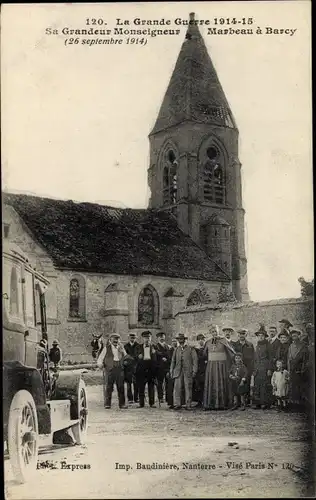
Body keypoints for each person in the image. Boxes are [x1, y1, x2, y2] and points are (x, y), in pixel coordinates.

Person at [203, 325, 235, 411]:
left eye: (216, 332)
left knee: (221, 383)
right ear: (210, 333)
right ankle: (210, 404)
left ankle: (222, 404)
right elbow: (204, 354)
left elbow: (231, 352)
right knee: (211, 383)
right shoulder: (208, 342)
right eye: (212, 332)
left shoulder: (223, 340)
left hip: (221, 366)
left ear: (218, 332)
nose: (214, 334)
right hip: (211, 366)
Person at [97, 333, 128, 409]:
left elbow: (126, 358)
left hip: (119, 369)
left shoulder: (121, 347)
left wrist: (123, 351)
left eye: (117, 339)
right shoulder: (106, 348)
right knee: (109, 387)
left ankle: (122, 404)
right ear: (110, 340)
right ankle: (107, 404)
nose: (115, 340)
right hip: (109, 369)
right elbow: (100, 358)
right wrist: (100, 364)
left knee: (120, 387)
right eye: (114, 339)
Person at [170, 333, 198, 410]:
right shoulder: (176, 349)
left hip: (188, 371)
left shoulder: (191, 349)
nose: (180, 341)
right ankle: (177, 404)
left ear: (185, 340)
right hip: (178, 371)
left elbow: (195, 360)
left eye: (182, 339)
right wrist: (171, 371)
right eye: (179, 339)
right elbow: (173, 361)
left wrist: (194, 371)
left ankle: (188, 404)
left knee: (188, 388)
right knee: (177, 388)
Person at [252, 325, 273, 409]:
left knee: (264, 385)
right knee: (257, 385)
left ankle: (264, 403)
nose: (260, 337)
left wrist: (269, 369)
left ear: (265, 337)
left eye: (262, 336)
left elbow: (271, 358)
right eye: (259, 336)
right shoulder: (257, 345)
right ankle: (257, 403)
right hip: (257, 368)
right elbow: (255, 358)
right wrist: (254, 369)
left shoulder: (268, 345)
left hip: (265, 367)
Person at [287, 329, 309, 409]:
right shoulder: (291, 346)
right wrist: (289, 370)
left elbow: (305, 359)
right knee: (292, 387)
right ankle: (293, 403)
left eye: (295, 335)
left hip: (299, 370)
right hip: (292, 370)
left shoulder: (303, 345)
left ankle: (300, 405)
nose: (294, 337)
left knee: (299, 387)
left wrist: (302, 369)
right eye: (292, 336)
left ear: (299, 335)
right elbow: (288, 359)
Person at [135, 331, 157, 408]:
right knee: (141, 387)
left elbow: (159, 357)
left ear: (151, 338)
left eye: (148, 337)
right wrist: (138, 356)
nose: (147, 339)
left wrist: (156, 353)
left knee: (151, 387)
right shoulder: (138, 347)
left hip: (151, 369)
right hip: (141, 369)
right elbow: (134, 357)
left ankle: (152, 403)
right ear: (143, 338)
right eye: (145, 337)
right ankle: (141, 404)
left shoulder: (155, 347)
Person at [233, 328, 255, 405]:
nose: (241, 336)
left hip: (248, 367)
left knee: (247, 383)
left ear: (246, 335)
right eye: (240, 334)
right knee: (238, 383)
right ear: (238, 335)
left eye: (243, 334)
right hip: (238, 368)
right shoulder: (235, 345)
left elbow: (253, 357)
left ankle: (247, 401)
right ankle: (238, 402)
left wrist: (252, 369)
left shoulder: (250, 345)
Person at [155, 332, 171, 405]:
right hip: (159, 368)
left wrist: (167, 359)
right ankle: (160, 397)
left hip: (167, 368)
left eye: (163, 337)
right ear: (157, 338)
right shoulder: (155, 346)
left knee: (168, 383)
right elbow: (156, 354)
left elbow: (169, 355)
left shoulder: (167, 346)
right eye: (160, 337)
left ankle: (168, 398)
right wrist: (162, 357)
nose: (162, 338)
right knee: (160, 383)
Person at [124, 332, 140, 404]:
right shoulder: (126, 346)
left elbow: (139, 355)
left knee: (136, 383)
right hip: (128, 367)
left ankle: (136, 398)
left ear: (136, 338)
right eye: (131, 337)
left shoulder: (138, 346)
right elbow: (124, 355)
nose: (132, 339)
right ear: (128, 338)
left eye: (133, 337)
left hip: (136, 367)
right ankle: (130, 399)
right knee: (129, 383)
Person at [193, 333, 207, 407]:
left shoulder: (206, 349)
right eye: (199, 339)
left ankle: (205, 401)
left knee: (205, 385)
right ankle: (199, 401)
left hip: (205, 369)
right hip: (198, 369)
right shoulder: (195, 349)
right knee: (198, 385)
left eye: (203, 339)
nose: (201, 341)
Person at [167, 338, 178, 408]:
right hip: (171, 370)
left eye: (175, 341)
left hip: (178, 370)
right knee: (170, 387)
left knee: (177, 387)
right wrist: (168, 371)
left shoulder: (179, 350)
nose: (174, 343)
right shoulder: (169, 351)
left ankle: (177, 402)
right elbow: (168, 361)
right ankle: (171, 403)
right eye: (173, 341)